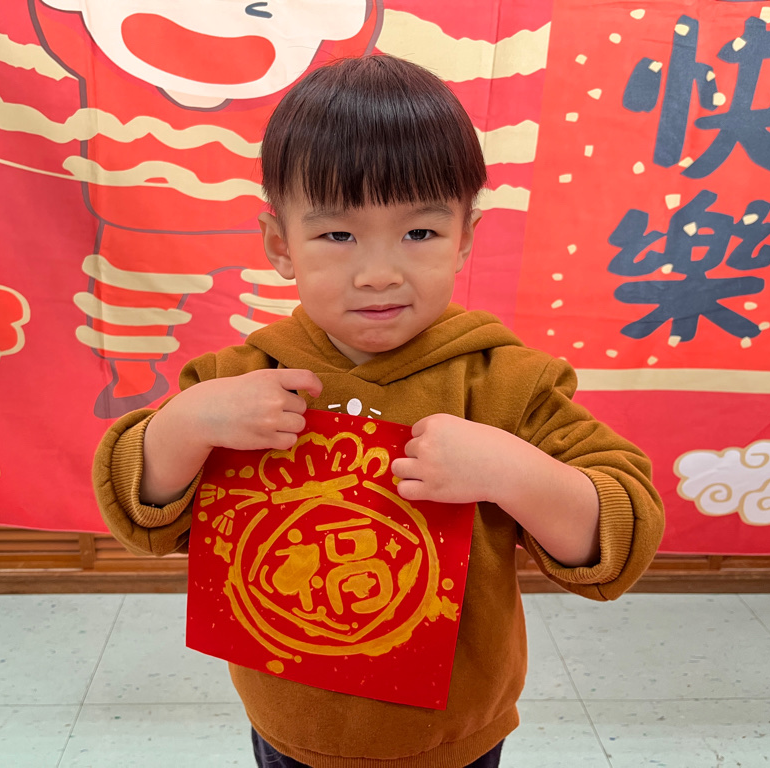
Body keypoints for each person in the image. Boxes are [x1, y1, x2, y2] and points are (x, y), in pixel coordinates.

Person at [92, 54, 665, 768]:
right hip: (287, 729)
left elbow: (620, 535)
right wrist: (186, 425)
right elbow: (140, 511)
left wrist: (512, 472)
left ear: (464, 238)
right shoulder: (237, 383)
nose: (379, 274)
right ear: (280, 245)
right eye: (338, 235)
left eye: (419, 234)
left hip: (453, 741)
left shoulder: (507, 384)